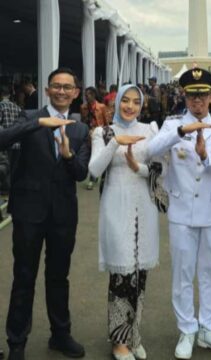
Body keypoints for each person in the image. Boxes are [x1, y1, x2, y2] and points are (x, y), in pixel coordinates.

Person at [0, 67, 90, 360]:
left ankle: (60, 334)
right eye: (56, 86)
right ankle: (16, 342)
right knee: (23, 276)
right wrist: (39, 123)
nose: (62, 91)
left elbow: (80, 174)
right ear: (47, 89)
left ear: (76, 93)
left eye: (68, 87)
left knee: (58, 276)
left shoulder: (79, 129)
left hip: (63, 215)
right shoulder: (29, 118)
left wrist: (68, 155)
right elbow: (3, 139)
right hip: (29, 212)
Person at [147, 68, 211, 360]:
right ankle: (187, 328)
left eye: (202, 95)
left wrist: (205, 156)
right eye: (192, 95)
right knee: (183, 272)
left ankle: (207, 328)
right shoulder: (172, 124)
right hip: (182, 209)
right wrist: (179, 134)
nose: (197, 101)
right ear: (184, 96)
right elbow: (151, 151)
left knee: (210, 272)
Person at [88, 85, 160, 360]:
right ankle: (119, 341)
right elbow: (94, 169)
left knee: (140, 276)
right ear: (116, 103)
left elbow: (158, 169)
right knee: (121, 278)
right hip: (116, 209)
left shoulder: (150, 131)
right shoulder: (102, 132)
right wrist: (116, 142)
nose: (130, 106)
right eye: (125, 101)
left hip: (145, 210)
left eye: (135, 102)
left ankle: (134, 335)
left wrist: (137, 167)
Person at [81, 87, 109, 190]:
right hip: (88, 135)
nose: (85, 96)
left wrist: (106, 135)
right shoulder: (83, 107)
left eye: (87, 94)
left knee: (96, 157)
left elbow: (106, 122)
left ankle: (92, 179)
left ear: (93, 95)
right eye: (85, 94)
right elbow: (82, 122)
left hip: (99, 135)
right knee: (87, 156)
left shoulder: (101, 107)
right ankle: (94, 174)